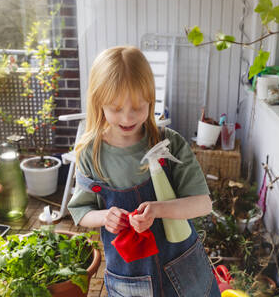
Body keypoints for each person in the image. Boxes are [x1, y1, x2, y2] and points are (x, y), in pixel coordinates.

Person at [68, 45, 220, 297]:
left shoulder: (168, 144)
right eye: (116, 108)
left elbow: (203, 204)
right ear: (98, 102)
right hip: (129, 278)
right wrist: (106, 217)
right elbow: (81, 212)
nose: (128, 117)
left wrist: (158, 209)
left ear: (151, 99)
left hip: (185, 269)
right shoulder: (89, 154)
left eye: (138, 106)